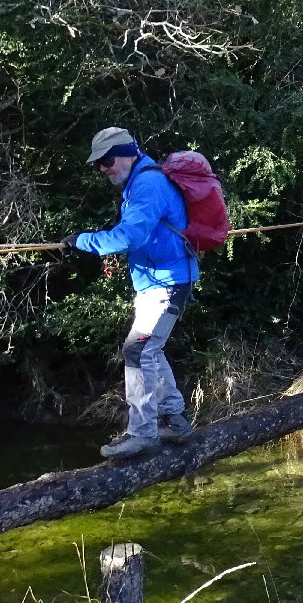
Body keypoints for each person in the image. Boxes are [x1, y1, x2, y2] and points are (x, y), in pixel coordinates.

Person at [65, 127, 199, 459]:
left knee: (137, 352)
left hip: (166, 284)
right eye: (98, 164)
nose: (103, 169)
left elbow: (129, 237)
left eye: (107, 161)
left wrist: (82, 241)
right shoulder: (138, 181)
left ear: (126, 153)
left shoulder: (147, 185)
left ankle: (141, 433)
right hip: (157, 283)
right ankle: (175, 421)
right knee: (151, 350)